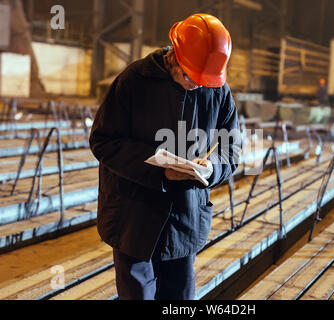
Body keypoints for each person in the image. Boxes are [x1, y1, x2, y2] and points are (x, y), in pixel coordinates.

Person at [89, 13, 240, 300]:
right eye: (189, 77)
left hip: (184, 219)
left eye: (203, 81)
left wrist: (212, 168)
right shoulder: (133, 82)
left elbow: (230, 149)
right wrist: (159, 168)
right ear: (174, 57)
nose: (196, 85)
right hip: (133, 218)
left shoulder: (216, 90)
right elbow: (104, 140)